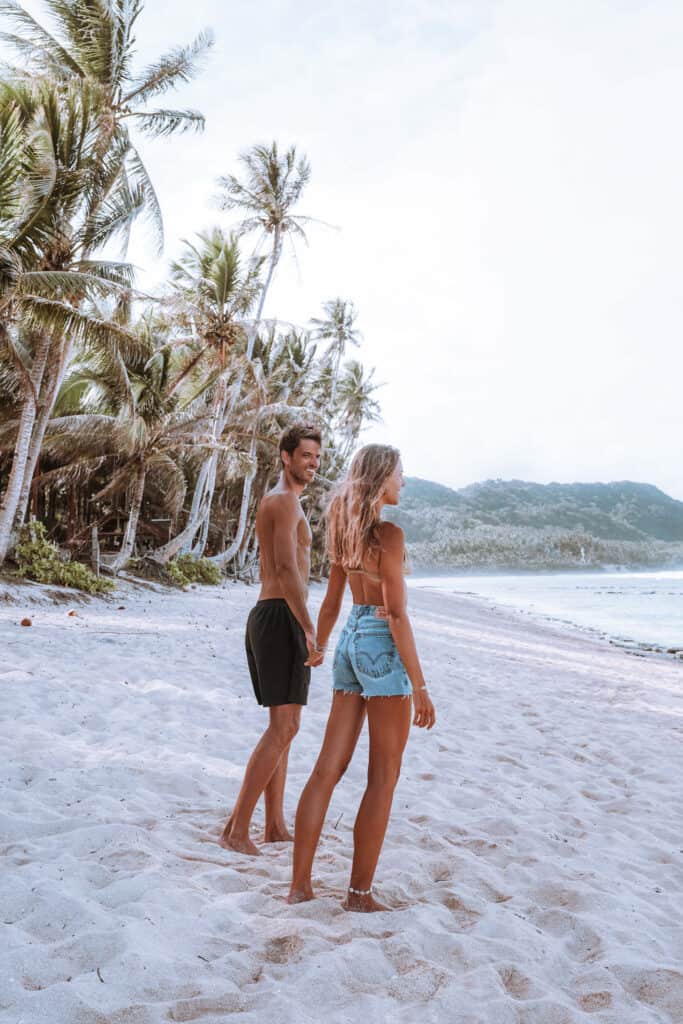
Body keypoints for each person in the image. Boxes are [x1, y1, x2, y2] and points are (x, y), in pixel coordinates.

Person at [288, 444, 435, 911]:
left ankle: (299, 887)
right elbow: (395, 614)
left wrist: (321, 644)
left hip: (351, 636)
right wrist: (421, 685)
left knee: (325, 770)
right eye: (399, 473)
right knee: (383, 778)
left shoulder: (342, 526)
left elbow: (332, 600)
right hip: (379, 644)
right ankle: (358, 895)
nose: (403, 482)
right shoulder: (389, 535)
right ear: (380, 479)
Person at [220, 423, 323, 856]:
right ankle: (236, 830)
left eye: (317, 457)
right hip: (280, 615)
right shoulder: (281, 503)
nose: (312, 464)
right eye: (305, 456)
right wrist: (309, 627)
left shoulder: (289, 503)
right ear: (285, 457)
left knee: (284, 728)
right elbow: (286, 571)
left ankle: (274, 826)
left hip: (276, 615)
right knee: (285, 728)